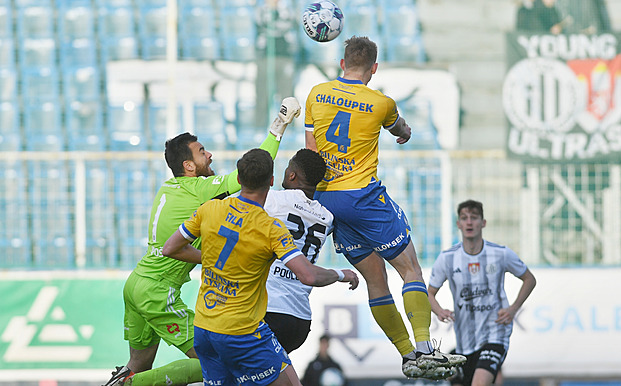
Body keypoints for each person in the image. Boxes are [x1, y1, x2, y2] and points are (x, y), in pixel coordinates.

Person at [102, 97, 302, 386]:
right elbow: (246, 175)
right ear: (189, 166)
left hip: (137, 283)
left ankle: (127, 380)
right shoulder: (198, 189)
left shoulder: (169, 187)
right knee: (214, 359)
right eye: (201, 152)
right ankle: (126, 385)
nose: (209, 156)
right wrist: (278, 127)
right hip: (158, 291)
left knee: (138, 364)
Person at [304, 35, 465, 380]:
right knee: (410, 270)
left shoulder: (316, 94)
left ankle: (407, 355)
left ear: (342, 63)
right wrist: (403, 131)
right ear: (374, 68)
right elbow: (402, 130)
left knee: (375, 282)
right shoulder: (381, 103)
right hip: (362, 197)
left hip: (327, 201)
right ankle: (424, 348)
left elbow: (309, 153)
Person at [161, 148, 360, 386]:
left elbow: (170, 248)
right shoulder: (317, 219)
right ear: (272, 180)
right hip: (284, 319)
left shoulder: (213, 208)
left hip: (211, 324)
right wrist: (340, 274)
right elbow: (307, 274)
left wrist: (210, 257)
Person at [428, 200, 537, 386]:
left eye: (474, 218)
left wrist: (513, 309)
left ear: (483, 223)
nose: (469, 222)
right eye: (464, 218)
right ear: (458, 224)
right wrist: (438, 310)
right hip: (465, 342)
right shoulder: (447, 258)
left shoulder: (500, 253)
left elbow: (529, 279)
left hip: (495, 334)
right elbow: (428, 293)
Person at [264, 148, 334, 354]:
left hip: (269, 310)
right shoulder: (328, 218)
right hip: (300, 321)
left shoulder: (272, 200)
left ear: (291, 174)